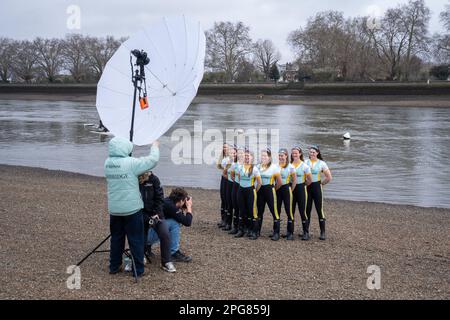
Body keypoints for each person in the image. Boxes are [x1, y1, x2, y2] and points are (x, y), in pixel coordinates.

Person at [104, 137, 159, 277]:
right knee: (136, 239)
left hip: (115, 209)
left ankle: (114, 266)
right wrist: (155, 146)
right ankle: (138, 269)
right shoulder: (131, 163)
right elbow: (152, 161)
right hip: (132, 209)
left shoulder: (108, 163)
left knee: (116, 238)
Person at [139, 171, 176, 273]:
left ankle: (166, 262)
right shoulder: (135, 179)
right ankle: (138, 258)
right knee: (140, 232)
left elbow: (160, 199)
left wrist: (157, 213)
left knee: (164, 233)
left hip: (156, 214)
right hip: (141, 213)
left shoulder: (154, 179)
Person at [158, 187, 193, 262]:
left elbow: (180, 218)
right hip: (148, 236)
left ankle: (147, 247)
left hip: (146, 233)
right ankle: (173, 252)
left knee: (170, 221)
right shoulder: (171, 207)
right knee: (174, 223)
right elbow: (187, 222)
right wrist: (189, 207)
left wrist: (182, 209)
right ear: (181, 200)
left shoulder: (167, 201)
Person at [305, 145, 332, 240]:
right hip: (307, 187)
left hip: (317, 187)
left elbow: (329, 177)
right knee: (306, 210)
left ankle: (322, 233)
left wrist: (321, 184)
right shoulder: (305, 162)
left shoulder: (322, 163)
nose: (312, 153)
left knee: (319, 210)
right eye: (310, 152)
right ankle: (306, 232)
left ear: (317, 153)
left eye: (314, 152)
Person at [235, 149, 262, 240]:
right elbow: (239, 178)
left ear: (252, 158)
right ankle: (241, 230)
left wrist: (254, 191)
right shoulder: (240, 167)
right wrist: (242, 187)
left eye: (248, 156)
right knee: (242, 211)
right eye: (245, 156)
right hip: (241, 190)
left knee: (252, 212)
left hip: (251, 191)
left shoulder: (255, 169)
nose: (246, 157)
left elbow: (259, 183)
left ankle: (254, 231)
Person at [256, 148, 282, 241]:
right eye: (262, 155)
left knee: (274, 212)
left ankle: (276, 233)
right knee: (259, 211)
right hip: (260, 191)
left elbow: (279, 182)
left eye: (265, 156)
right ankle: (257, 231)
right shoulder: (258, 166)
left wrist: (273, 189)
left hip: (270, 190)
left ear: (269, 157)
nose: (263, 157)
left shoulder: (274, 167)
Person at [291, 146, 312, 240]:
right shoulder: (289, 164)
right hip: (291, 188)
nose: (294, 155)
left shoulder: (304, 166)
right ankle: (290, 232)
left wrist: (302, 186)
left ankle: (306, 232)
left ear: (300, 154)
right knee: (290, 211)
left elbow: (310, 180)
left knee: (302, 211)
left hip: (301, 189)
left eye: (296, 153)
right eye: (293, 153)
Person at [276, 148, 297, 240]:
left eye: (282, 155)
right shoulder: (275, 166)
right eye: (279, 155)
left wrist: (290, 190)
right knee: (277, 210)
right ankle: (276, 232)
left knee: (289, 210)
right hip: (277, 189)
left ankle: (290, 233)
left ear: (286, 156)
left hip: (286, 188)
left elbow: (295, 181)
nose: (281, 157)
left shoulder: (291, 167)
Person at [229, 146, 245, 235]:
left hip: (244, 187)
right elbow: (232, 175)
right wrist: (237, 181)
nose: (240, 155)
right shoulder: (234, 164)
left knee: (243, 207)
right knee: (236, 206)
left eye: (242, 153)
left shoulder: (248, 164)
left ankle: (243, 227)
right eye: (239, 153)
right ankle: (235, 227)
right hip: (236, 185)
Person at [222, 146, 237, 231]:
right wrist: (230, 179)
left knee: (236, 205)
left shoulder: (239, 163)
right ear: (229, 154)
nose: (233, 154)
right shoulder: (228, 163)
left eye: (235, 153)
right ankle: (228, 223)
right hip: (229, 184)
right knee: (228, 204)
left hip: (236, 185)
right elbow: (224, 174)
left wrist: (236, 181)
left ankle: (236, 225)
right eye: (231, 153)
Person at [217, 143, 230, 228]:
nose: (225, 148)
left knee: (227, 199)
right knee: (223, 198)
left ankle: (227, 221)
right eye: (224, 147)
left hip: (228, 179)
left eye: (226, 147)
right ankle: (223, 219)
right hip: (223, 178)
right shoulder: (223, 157)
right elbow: (219, 166)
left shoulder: (230, 158)